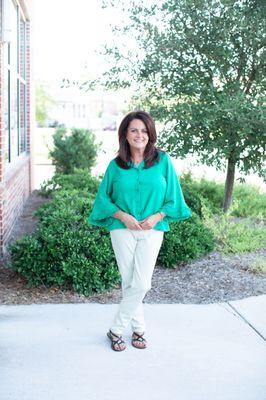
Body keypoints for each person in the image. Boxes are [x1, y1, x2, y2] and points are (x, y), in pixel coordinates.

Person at [88, 110, 192, 352]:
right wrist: (123, 216)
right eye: (134, 130)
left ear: (150, 134)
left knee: (142, 283)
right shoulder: (116, 166)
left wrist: (157, 216)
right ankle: (139, 330)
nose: (139, 135)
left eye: (144, 131)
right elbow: (103, 200)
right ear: (125, 134)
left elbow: (173, 198)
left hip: (152, 230)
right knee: (129, 281)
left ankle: (115, 329)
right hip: (121, 229)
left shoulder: (163, 162)